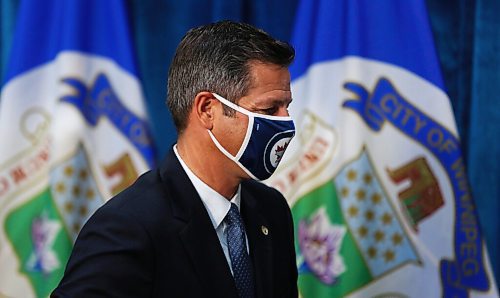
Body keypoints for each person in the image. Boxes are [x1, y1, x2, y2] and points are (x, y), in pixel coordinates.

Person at [52, 20, 298, 298]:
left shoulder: (270, 209)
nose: (286, 122)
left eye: (286, 107)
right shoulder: (127, 227)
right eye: (269, 108)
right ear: (207, 109)